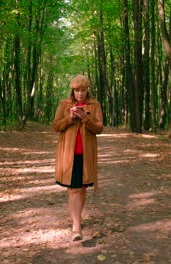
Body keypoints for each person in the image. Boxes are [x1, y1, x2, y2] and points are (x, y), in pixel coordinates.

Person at [52, 74, 103, 241]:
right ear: (72, 91)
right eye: (76, 91)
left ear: (87, 89)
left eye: (83, 90)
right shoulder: (64, 104)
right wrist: (70, 118)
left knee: (81, 190)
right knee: (73, 189)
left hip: (86, 155)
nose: (80, 94)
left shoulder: (94, 105)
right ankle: (77, 227)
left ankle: (76, 220)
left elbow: (99, 128)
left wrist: (86, 119)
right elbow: (56, 126)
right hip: (69, 155)